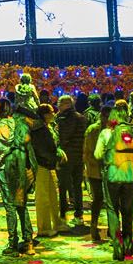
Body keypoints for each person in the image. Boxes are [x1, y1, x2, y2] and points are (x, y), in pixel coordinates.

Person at [96, 105, 133, 259]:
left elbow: (97, 154)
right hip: (130, 177)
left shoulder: (106, 133)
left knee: (112, 209)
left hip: (112, 176)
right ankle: (128, 243)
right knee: (128, 210)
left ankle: (117, 243)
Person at [0, 101, 35, 254]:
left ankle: (12, 243)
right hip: (20, 166)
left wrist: (6, 149)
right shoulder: (20, 123)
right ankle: (28, 241)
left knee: (9, 206)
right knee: (21, 203)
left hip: (5, 168)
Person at [29, 103, 62, 239]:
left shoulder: (48, 127)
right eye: (51, 112)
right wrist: (53, 157)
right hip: (42, 165)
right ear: (45, 114)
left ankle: (57, 222)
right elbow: (42, 149)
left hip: (50, 164)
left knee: (54, 195)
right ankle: (44, 228)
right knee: (43, 197)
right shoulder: (39, 129)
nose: (54, 114)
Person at [54, 95, 86, 229]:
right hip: (79, 156)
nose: (58, 107)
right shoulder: (81, 117)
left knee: (63, 186)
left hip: (66, 156)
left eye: (60, 104)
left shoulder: (64, 119)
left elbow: (64, 137)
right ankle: (79, 214)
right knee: (77, 186)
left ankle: (62, 214)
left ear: (66, 105)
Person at [81, 100, 108, 246]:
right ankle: (93, 226)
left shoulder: (113, 130)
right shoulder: (93, 130)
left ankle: (113, 227)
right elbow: (90, 152)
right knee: (98, 199)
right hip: (95, 170)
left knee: (111, 200)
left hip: (110, 170)